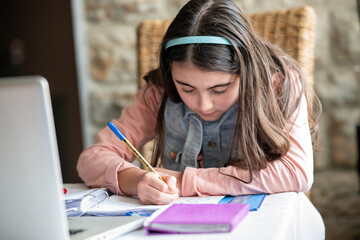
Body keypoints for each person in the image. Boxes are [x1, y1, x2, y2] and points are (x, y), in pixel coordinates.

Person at [77, 0, 322, 205]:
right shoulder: (159, 91)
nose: (203, 105)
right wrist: (137, 179)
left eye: (219, 89)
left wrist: (184, 181)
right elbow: (91, 159)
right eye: (187, 88)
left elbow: (296, 173)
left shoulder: (278, 84)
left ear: (247, 71)